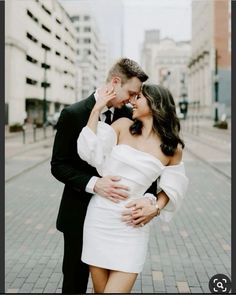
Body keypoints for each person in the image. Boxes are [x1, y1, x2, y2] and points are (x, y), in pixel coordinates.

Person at [51, 58, 158, 294]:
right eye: (130, 92)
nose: (132, 99)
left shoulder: (132, 116)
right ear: (115, 82)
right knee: (74, 282)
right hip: (78, 213)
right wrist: (94, 184)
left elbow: (148, 165)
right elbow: (58, 165)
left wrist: (151, 200)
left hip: (119, 220)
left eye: (136, 95)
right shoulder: (73, 113)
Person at [77, 83, 189, 293]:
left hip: (132, 224)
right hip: (100, 219)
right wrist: (96, 109)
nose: (132, 101)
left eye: (139, 97)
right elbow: (89, 152)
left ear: (156, 104)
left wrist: (154, 208)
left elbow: (174, 187)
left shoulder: (172, 148)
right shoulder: (121, 125)